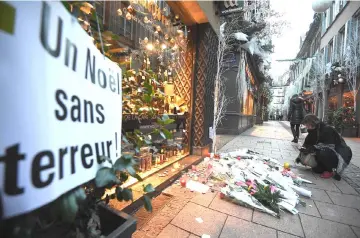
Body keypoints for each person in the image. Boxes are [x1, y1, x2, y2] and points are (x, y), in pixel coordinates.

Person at [296, 114, 352, 180]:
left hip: (336, 154)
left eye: (307, 125)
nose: (307, 127)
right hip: (324, 154)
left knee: (322, 152)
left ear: (312, 123)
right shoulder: (312, 132)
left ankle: (332, 170)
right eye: (306, 125)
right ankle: (324, 167)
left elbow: (330, 145)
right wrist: (300, 156)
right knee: (316, 170)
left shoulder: (327, 129)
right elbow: (306, 144)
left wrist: (314, 147)